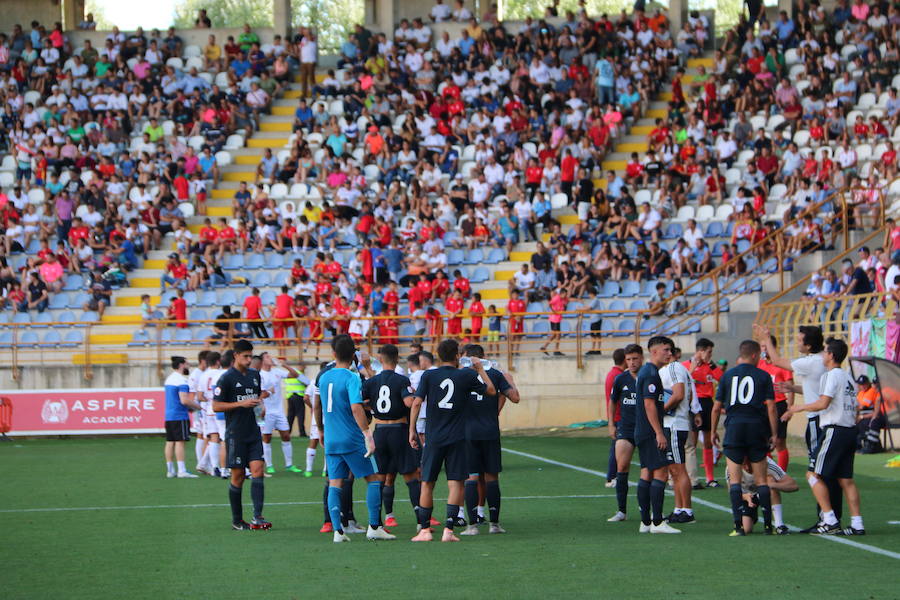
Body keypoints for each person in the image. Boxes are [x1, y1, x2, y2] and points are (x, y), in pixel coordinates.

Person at [755, 323, 843, 531]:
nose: (797, 342)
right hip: (828, 421)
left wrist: (766, 337)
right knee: (830, 472)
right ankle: (830, 516)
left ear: (809, 344)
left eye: (800, 339)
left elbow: (776, 361)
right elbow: (817, 388)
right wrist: (793, 388)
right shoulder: (821, 360)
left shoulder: (811, 361)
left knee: (816, 472)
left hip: (817, 420)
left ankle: (828, 517)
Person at [409, 339, 495, 542]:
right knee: (456, 483)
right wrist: (480, 369)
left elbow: (416, 403)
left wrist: (412, 430)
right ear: (457, 355)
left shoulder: (429, 375)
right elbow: (491, 391)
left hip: (435, 437)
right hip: (458, 437)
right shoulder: (466, 374)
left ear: (438, 356)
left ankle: (425, 530)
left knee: (427, 483)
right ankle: (449, 530)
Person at [315, 335, 396, 542]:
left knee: (335, 482)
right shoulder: (352, 377)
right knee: (374, 479)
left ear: (333, 354)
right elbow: (356, 407)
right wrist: (367, 434)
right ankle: (374, 527)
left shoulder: (323, 377)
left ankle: (337, 531)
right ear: (353, 355)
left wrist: (321, 430)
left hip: (332, 438)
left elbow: (318, 405)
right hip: (351, 438)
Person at [781, 338, 865, 535]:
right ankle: (857, 524)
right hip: (850, 430)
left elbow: (822, 403)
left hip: (834, 429)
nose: (822, 355)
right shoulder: (848, 377)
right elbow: (857, 408)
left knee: (812, 474)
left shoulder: (830, 375)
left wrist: (798, 407)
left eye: (825, 352)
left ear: (831, 356)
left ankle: (829, 519)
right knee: (845, 479)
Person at [710, 340, 779, 536]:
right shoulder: (764, 376)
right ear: (756, 355)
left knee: (735, 480)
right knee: (761, 480)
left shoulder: (727, 376)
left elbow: (716, 407)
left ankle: (738, 526)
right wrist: (774, 433)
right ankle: (767, 526)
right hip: (756, 428)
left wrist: (713, 431)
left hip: (734, 428)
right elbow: (771, 407)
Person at [459, 344, 519, 535]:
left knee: (471, 476)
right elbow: (515, 398)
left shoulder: (461, 376)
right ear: (484, 357)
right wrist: (510, 381)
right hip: (490, 431)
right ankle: (494, 524)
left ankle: (472, 526)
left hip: (467, 432)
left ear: (468, 358)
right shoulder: (495, 374)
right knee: (492, 477)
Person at [212, 339, 272, 531]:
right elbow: (216, 405)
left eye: (250, 356)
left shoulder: (255, 375)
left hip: (253, 431)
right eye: (245, 356)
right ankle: (237, 520)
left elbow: (254, 399)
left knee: (258, 470)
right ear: (235, 355)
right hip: (235, 434)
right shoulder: (226, 378)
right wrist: (240, 404)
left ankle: (257, 517)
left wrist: (259, 407)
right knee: (238, 476)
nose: (248, 360)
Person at [362, 344, 420, 528]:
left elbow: (362, 402)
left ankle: (376, 523)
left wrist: (374, 408)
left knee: (380, 478)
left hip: (380, 432)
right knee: (411, 475)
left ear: (380, 359)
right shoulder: (402, 380)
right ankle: (421, 522)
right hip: (399, 430)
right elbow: (409, 402)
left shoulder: (371, 382)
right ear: (397, 360)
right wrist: (418, 398)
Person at [634, 336, 681, 533]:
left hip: (642, 430)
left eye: (670, 350)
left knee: (647, 472)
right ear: (654, 351)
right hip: (650, 431)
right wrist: (659, 433)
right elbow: (649, 404)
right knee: (661, 472)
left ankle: (645, 522)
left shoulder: (648, 371)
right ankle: (657, 522)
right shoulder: (651, 373)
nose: (670, 354)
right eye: (666, 350)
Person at [660, 343, 700, 524]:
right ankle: (678, 509)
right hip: (674, 423)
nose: (667, 354)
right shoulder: (674, 369)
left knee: (679, 468)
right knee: (674, 470)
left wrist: (662, 410)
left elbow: (679, 394)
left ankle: (687, 510)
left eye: (669, 351)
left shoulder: (675, 368)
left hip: (675, 424)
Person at [607, 344, 642, 523]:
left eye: (635, 358)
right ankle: (621, 511)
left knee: (648, 471)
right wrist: (611, 424)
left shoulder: (650, 377)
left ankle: (646, 509)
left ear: (641, 358)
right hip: (626, 428)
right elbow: (612, 402)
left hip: (646, 430)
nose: (632, 362)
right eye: (628, 359)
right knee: (621, 468)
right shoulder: (621, 379)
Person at [683, 338, 723, 488]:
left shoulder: (710, 366)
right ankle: (691, 477)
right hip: (693, 403)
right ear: (700, 351)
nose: (710, 355)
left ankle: (710, 478)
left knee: (708, 441)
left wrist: (713, 366)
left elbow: (723, 379)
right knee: (691, 443)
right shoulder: (686, 365)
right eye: (708, 352)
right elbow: (684, 379)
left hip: (706, 403)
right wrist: (693, 366)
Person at [726, 456, 799, 535]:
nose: (746, 468)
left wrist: (772, 485)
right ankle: (753, 514)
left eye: (748, 464)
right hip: (747, 497)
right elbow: (732, 493)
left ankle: (779, 525)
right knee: (746, 529)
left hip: (766, 493)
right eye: (743, 465)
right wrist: (745, 497)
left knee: (770, 480)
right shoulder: (732, 467)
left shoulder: (766, 463)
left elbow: (793, 485)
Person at [259, 353, 304, 475]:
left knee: (286, 436)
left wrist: (285, 365)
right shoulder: (260, 375)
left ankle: (289, 464)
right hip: (267, 411)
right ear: (262, 361)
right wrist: (268, 393)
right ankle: (269, 465)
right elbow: (260, 395)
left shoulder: (277, 371)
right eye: (268, 357)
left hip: (279, 411)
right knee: (267, 438)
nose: (271, 358)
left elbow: (295, 375)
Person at [757, 336, 794, 470]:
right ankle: (769, 471)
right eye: (762, 346)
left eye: (766, 346)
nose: (764, 349)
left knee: (779, 441)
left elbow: (790, 388)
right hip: (762, 406)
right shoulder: (759, 364)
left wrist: (790, 409)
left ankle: (781, 473)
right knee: (763, 441)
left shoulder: (782, 364)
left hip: (778, 405)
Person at [164, 356, 201, 478]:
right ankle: (182, 470)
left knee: (170, 442)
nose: (188, 366)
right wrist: (198, 407)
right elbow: (184, 400)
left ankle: (170, 470)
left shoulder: (169, 379)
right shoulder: (181, 381)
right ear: (181, 365)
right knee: (180, 442)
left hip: (169, 415)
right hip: (179, 415)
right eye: (187, 363)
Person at [604, 348, 626, 487]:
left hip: (617, 416)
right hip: (619, 416)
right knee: (617, 448)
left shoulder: (612, 374)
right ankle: (612, 477)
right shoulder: (618, 376)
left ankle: (612, 476)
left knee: (617, 447)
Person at [285, 371, 311, 439]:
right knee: (300, 415)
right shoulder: (299, 374)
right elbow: (307, 383)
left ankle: (287, 432)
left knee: (290, 415)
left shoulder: (288, 374)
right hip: (298, 396)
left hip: (289, 396)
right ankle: (302, 433)